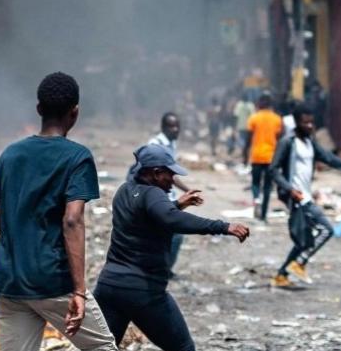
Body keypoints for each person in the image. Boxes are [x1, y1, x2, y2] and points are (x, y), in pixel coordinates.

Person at [0, 72, 117, 351]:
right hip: (52, 280)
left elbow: (2, 221)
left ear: (39, 109)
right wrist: (79, 291)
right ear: (75, 112)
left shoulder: (10, 154)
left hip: (8, 280)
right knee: (102, 348)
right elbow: (72, 220)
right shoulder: (77, 157)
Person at [94, 144, 250, 351]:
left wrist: (176, 205)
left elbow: (150, 219)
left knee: (102, 349)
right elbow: (171, 219)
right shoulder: (153, 194)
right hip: (143, 291)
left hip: (109, 287)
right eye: (170, 174)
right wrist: (223, 226)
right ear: (156, 173)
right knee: (183, 348)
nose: (173, 180)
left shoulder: (124, 191)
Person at [269, 104, 341, 287]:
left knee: (303, 241)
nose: (309, 126)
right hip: (298, 199)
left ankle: (281, 276)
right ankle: (299, 263)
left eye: (311, 122)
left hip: (306, 195)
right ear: (296, 123)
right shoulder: (288, 143)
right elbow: (273, 170)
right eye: (305, 123)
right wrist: (290, 190)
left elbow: (330, 159)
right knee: (326, 230)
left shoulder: (309, 143)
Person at [145, 112, 196, 279]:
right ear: (163, 127)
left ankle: (162, 269)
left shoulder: (171, 144)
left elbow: (171, 174)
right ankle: (161, 270)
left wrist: (186, 190)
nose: (176, 130)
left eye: (178, 127)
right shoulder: (155, 145)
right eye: (172, 126)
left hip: (169, 196)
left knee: (169, 235)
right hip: (158, 197)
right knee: (174, 234)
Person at [244, 93, 282, 221]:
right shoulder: (277, 119)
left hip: (257, 156)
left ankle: (256, 200)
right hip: (271, 157)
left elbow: (248, 139)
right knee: (267, 186)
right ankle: (264, 214)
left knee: (255, 182)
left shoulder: (253, 118)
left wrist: (245, 154)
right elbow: (279, 138)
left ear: (259, 104)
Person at [232, 93, 255, 159]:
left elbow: (235, 116)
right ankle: (246, 154)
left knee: (242, 141)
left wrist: (234, 126)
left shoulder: (239, 105)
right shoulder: (251, 105)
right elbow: (253, 116)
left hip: (241, 126)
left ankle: (244, 153)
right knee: (247, 141)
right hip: (248, 127)